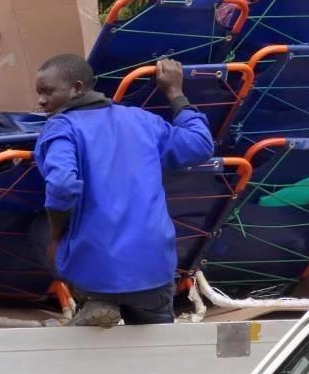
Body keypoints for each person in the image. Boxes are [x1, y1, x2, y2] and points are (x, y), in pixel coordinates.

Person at [33, 54, 214, 327]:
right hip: (155, 270)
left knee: (38, 230)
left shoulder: (62, 127)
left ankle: (96, 300)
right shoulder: (142, 120)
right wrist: (176, 93)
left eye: (47, 92)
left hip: (98, 273)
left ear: (77, 88)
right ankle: (118, 308)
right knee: (157, 346)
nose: (41, 101)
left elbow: (61, 184)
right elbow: (198, 145)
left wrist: (56, 234)